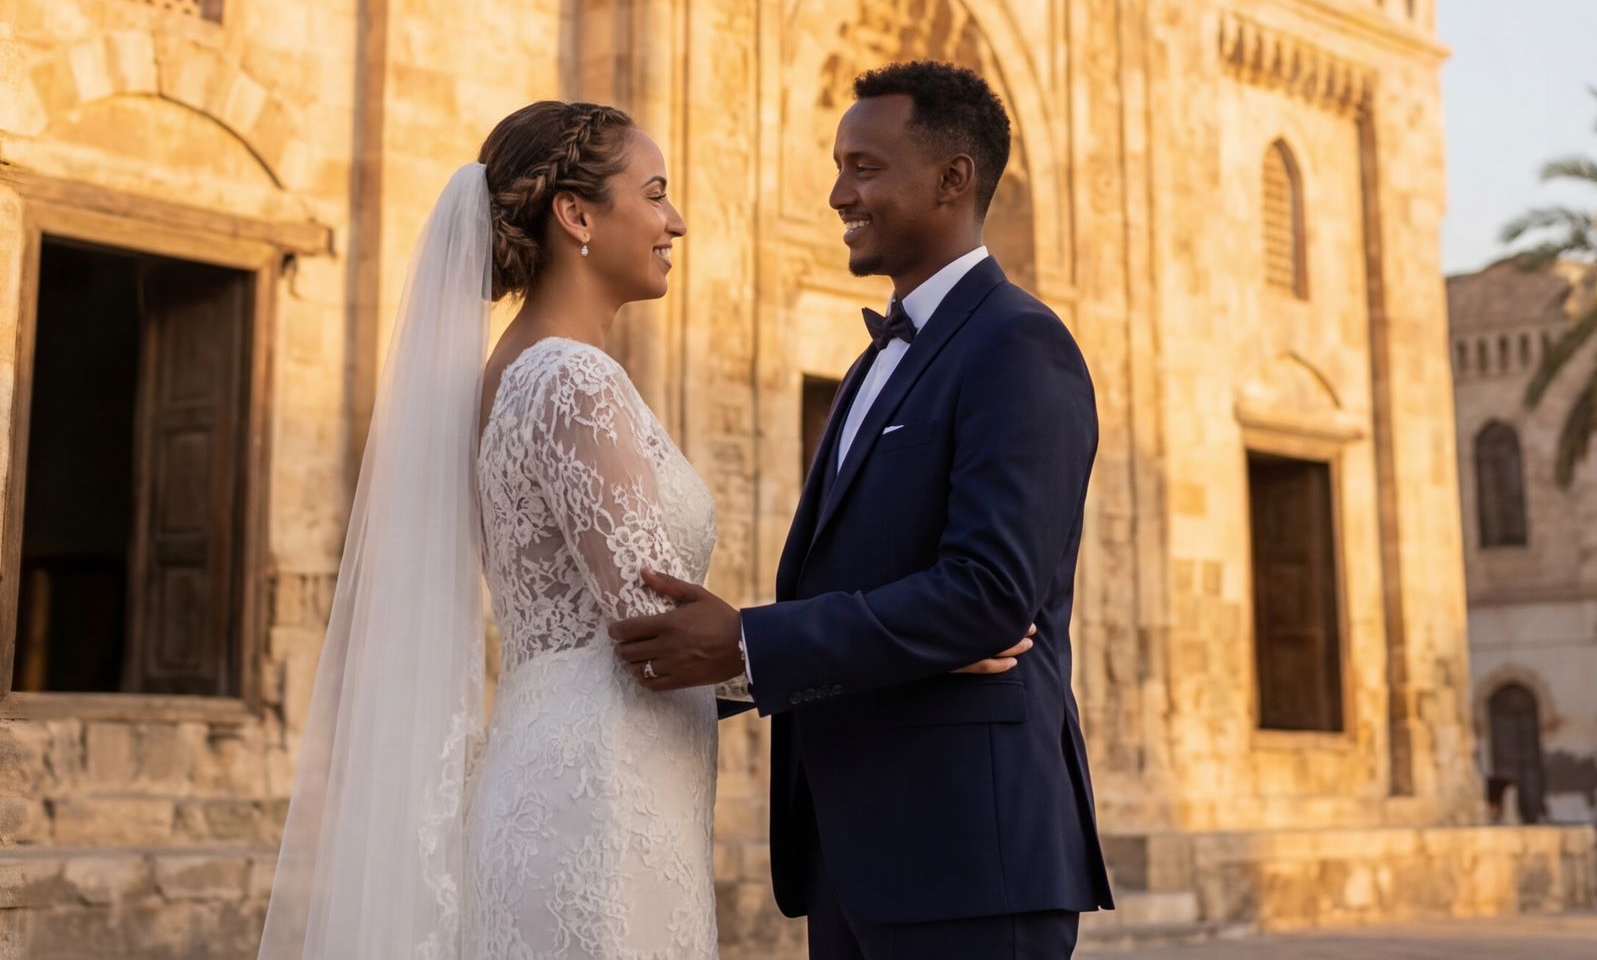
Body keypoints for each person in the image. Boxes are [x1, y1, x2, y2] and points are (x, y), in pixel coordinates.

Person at [257, 98, 1032, 959]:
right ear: (577, 214)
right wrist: (919, 644)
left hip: (584, 761)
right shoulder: (568, 380)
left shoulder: (517, 369)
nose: (677, 220)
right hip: (600, 793)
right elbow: (662, 636)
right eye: (654, 193)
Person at [611, 61, 1113, 958]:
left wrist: (751, 643)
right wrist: (704, 664)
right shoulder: (870, 367)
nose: (839, 192)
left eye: (865, 167)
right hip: (854, 854)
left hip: (969, 853)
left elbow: (991, 594)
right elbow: (859, 585)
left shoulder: (1020, 345)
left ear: (953, 179)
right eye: (841, 165)